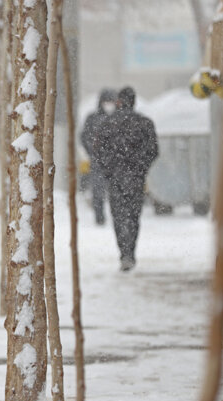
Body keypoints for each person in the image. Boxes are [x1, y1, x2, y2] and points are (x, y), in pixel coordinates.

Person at [94, 86, 158, 272]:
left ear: (118, 101)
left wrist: (109, 170)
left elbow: (98, 151)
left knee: (119, 215)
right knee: (133, 215)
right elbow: (153, 150)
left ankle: (124, 252)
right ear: (134, 101)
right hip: (136, 178)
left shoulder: (107, 123)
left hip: (115, 178)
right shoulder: (145, 123)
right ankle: (130, 250)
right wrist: (140, 168)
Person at [80, 89, 116, 225]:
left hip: (115, 162)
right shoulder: (93, 118)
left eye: (111, 101)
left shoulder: (118, 118)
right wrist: (93, 152)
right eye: (107, 101)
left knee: (116, 191)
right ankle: (99, 217)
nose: (109, 104)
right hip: (98, 161)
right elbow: (84, 137)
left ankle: (117, 216)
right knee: (98, 191)